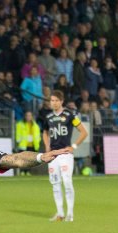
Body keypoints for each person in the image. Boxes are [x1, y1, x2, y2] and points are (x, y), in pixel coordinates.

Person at [41, 90, 88, 222]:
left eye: (56, 100)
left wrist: (73, 147)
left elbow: (84, 132)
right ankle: (60, 213)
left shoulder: (70, 115)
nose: (54, 103)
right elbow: (45, 132)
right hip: (53, 155)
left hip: (65, 154)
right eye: (52, 100)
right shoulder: (48, 117)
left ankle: (70, 214)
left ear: (61, 101)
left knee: (67, 182)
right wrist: (47, 146)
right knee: (55, 183)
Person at [14, 110, 41, 176]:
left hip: (32, 145)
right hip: (23, 144)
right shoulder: (20, 124)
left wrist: (38, 142)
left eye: (30, 115)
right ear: (25, 116)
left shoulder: (35, 125)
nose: (28, 117)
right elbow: (18, 134)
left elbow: (38, 135)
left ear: (32, 117)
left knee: (30, 160)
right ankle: (22, 171)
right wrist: (18, 141)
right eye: (27, 115)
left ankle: (28, 171)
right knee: (23, 159)